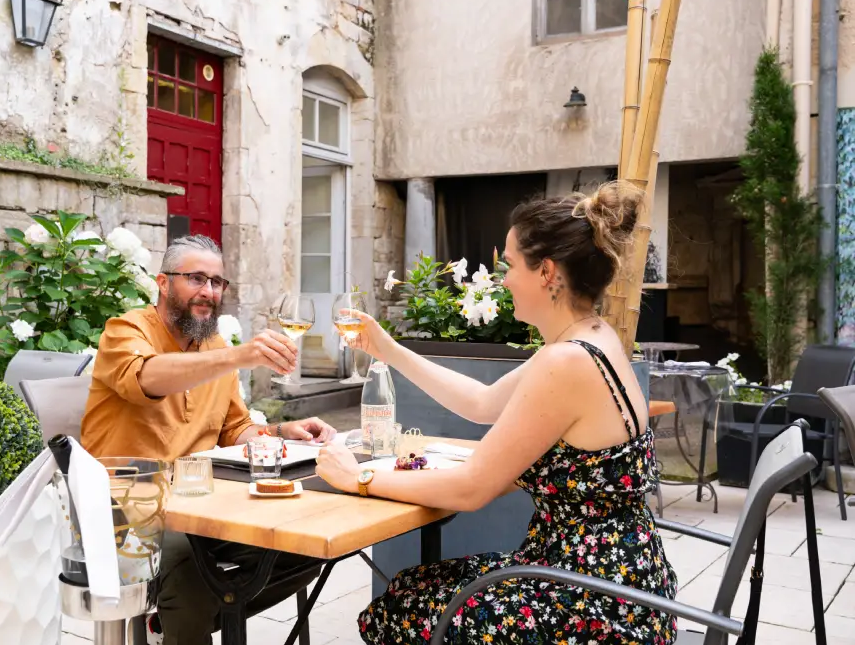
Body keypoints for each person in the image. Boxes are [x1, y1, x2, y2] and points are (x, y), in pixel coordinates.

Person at [316, 181, 678, 645]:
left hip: (594, 603)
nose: (503, 278)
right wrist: (387, 348)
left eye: (509, 264)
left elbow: (471, 490)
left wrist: (356, 479)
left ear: (546, 272)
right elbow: (482, 404)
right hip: (622, 581)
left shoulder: (566, 360)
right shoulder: (591, 337)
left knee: (402, 609)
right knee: (412, 587)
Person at [82, 234, 336, 645]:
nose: (209, 292)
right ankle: (188, 626)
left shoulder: (213, 345)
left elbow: (235, 429)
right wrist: (241, 355)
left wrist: (280, 431)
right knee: (186, 560)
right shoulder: (125, 330)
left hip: (199, 499)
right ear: (163, 284)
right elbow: (148, 377)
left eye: (217, 282)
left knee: (303, 545)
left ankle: (176, 624)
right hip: (125, 503)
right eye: (196, 279)